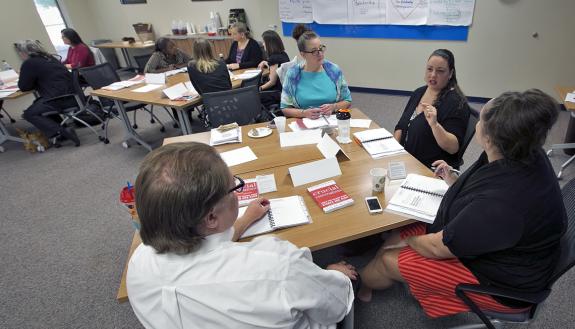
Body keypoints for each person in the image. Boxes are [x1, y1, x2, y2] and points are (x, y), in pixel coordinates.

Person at [358, 89, 567, 318]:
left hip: (502, 285)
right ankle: (379, 274)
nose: (475, 122)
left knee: (389, 256)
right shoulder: (521, 151)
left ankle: (357, 284)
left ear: (489, 137)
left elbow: (438, 247)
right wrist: (453, 180)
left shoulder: (502, 203)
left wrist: (408, 242)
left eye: (481, 119)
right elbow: (483, 192)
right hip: (503, 247)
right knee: (396, 236)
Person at [127, 142, 356, 328]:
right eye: (234, 187)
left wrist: (245, 219)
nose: (238, 192)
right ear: (211, 218)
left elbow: (207, 252)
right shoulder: (277, 264)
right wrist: (332, 275)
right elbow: (334, 306)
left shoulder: (138, 262)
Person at [394, 49, 470, 168]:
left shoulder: (457, 104)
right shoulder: (418, 92)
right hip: (405, 160)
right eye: (430, 69)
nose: (433, 74)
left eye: (440, 71)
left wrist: (435, 125)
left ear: (450, 74)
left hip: (428, 169)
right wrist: (394, 152)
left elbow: (453, 148)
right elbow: (401, 126)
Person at [15, 40, 80, 146]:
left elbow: (23, 87)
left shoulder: (29, 63)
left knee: (29, 113)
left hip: (58, 100)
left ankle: (61, 131)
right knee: (37, 103)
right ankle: (59, 131)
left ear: (24, 53)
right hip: (73, 96)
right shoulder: (50, 58)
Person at [280, 31, 352, 119]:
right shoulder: (293, 74)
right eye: (314, 51)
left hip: (331, 122)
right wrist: (304, 113)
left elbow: (347, 100)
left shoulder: (334, 70)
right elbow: (285, 108)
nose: (320, 53)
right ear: (303, 54)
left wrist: (334, 107)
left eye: (321, 48)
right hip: (304, 124)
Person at [256, 30, 289, 109]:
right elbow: (276, 66)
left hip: (278, 92)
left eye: (264, 42)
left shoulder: (273, 58)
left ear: (269, 44)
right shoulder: (283, 54)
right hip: (285, 91)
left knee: (254, 96)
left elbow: (272, 82)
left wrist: (259, 89)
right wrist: (266, 62)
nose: (263, 44)